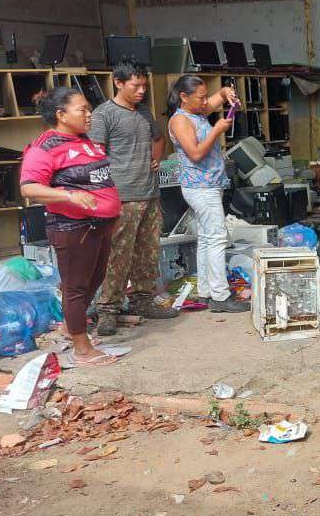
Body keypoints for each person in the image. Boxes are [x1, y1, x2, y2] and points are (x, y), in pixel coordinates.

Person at [20, 87, 123, 367]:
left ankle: (70, 326)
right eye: (82, 110)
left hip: (99, 226)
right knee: (75, 288)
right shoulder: (45, 147)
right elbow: (30, 188)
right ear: (61, 115)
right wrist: (68, 195)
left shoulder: (82, 139)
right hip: (73, 228)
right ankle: (82, 349)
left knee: (96, 277)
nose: (89, 114)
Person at [89, 58, 178, 335]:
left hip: (150, 194)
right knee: (118, 256)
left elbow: (159, 138)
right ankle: (107, 310)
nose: (141, 91)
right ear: (118, 82)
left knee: (147, 253)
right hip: (122, 196)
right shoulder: (105, 115)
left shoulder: (143, 113)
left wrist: (156, 158)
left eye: (144, 86)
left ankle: (142, 300)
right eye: (135, 85)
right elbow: (94, 154)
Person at [166, 75, 248, 312]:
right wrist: (217, 130)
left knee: (205, 239)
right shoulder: (180, 120)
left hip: (208, 185)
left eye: (205, 96)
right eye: (200, 97)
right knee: (217, 238)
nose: (205, 103)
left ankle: (206, 291)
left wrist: (226, 93)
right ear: (184, 97)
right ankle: (221, 297)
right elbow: (195, 153)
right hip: (201, 188)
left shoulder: (196, 111)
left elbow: (218, 98)